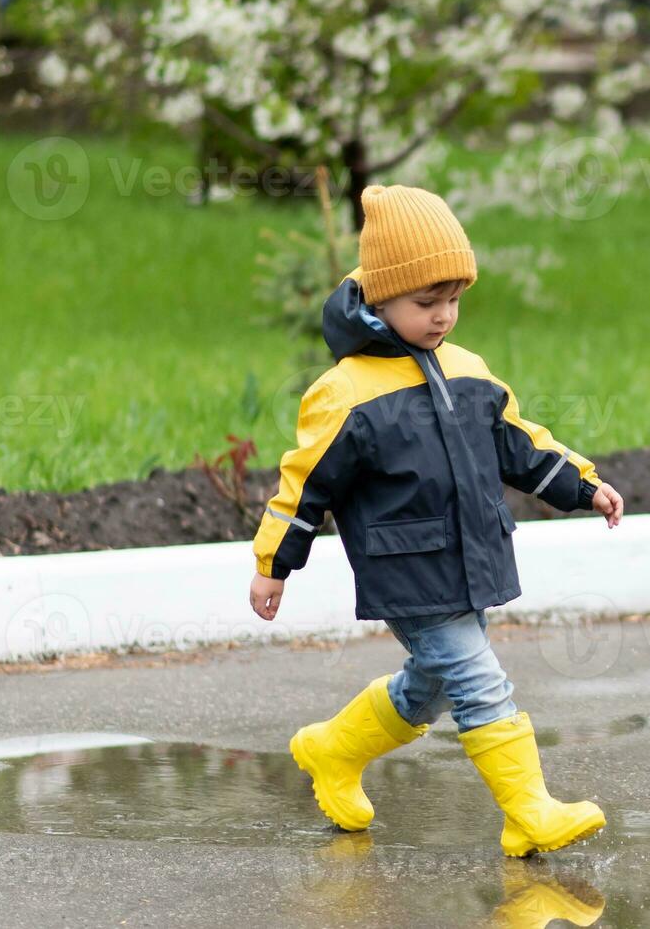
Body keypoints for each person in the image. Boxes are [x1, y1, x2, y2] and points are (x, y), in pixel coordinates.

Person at [247, 184, 625, 857]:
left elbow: (520, 443)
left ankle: (332, 750)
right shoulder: (348, 392)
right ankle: (527, 812)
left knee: (430, 689)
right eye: (426, 303)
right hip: (408, 568)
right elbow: (304, 486)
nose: (444, 316)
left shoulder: (468, 372)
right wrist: (274, 564)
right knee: (480, 681)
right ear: (381, 297)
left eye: (453, 299)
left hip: (473, 558)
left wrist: (582, 485)